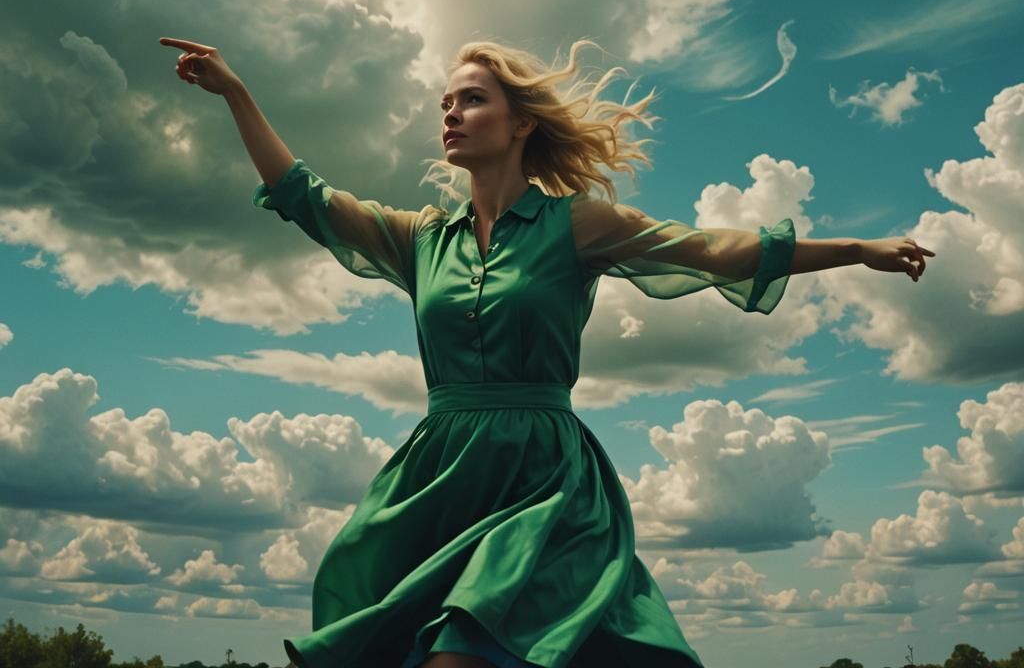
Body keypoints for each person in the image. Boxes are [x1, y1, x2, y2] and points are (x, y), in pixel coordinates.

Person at [159, 35, 934, 668]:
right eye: (445, 104)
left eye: (471, 99)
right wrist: (237, 94)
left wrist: (854, 249)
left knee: (465, 652)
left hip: (541, 481)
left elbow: (709, 250)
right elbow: (304, 195)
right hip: (439, 480)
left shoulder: (577, 226)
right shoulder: (420, 239)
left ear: (521, 123)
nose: (451, 114)